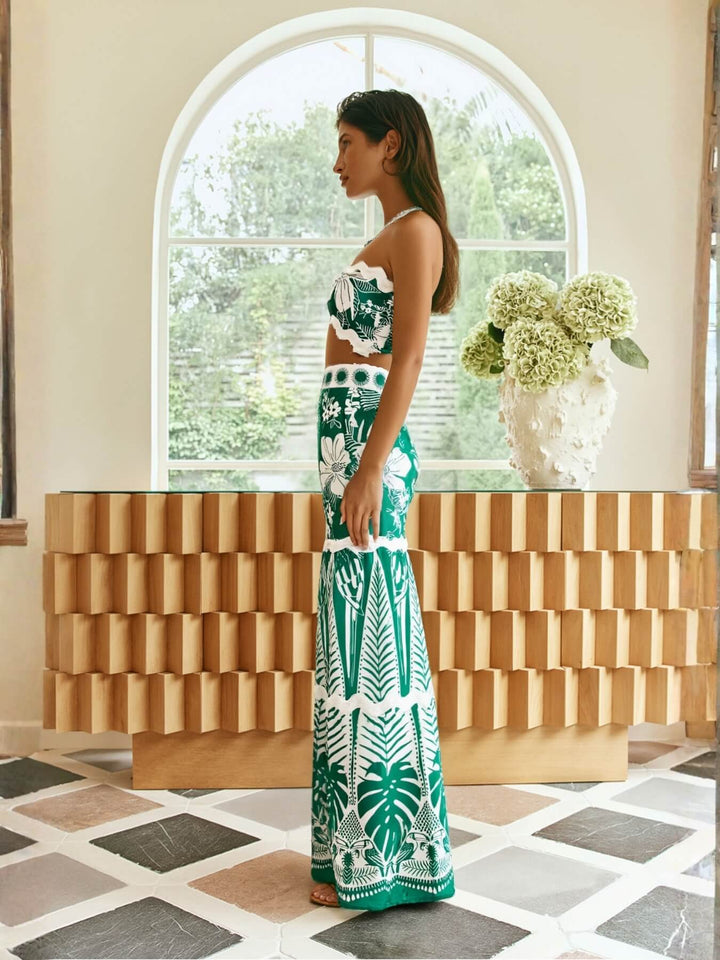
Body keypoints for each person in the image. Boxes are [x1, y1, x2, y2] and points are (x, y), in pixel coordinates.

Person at [310, 89, 460, 911]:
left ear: (390, 146)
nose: (338, 161)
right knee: (349, 642)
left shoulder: (418, 234)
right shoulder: (386, 233)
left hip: (369, 452)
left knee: (374, 640)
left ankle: (389, 863)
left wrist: (369, 469)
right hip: (347, 450)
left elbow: (405, 361)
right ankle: (348, 856)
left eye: (346, 143)